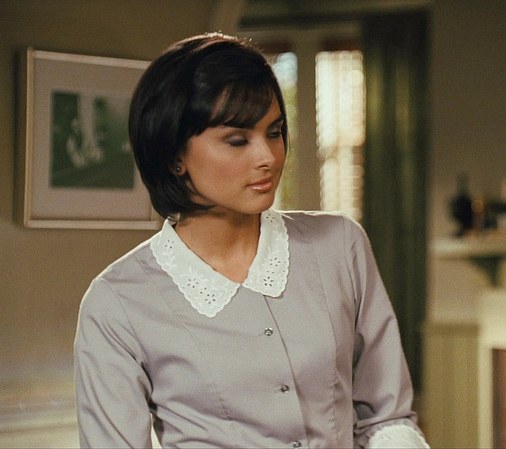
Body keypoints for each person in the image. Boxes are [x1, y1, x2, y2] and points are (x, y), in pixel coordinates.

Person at [73, 32, 429, 449]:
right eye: (238, 140)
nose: (268, 157)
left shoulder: (340, 245)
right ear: (174, 156)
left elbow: (386, 419)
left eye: (274, 132)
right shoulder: (117, 303)